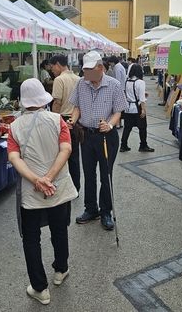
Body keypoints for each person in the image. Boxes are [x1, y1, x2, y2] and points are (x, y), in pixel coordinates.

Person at [7, 78, 77, 306]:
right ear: (43, 98)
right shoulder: (58, 120)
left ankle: (40, 288)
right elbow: (66, 149)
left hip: (32, 192)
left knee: (31, 239)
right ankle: (61, 270)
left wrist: (37, 180)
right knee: (59, 229)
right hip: (58, 188)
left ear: (23, 102)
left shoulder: (15, 127)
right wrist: (49, 178)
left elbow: (14, 157)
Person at [68, 51, 128, 230]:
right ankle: (91, 209)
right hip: (86, 135)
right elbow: (77, 107)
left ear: (100, 68)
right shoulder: (81, 83)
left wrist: (109, 125)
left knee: (105, 175)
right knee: (89, 174)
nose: (86, 74)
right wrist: (73, 119)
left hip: (106, 137)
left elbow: (118, 111)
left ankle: (106, 211)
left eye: (89, 70)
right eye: (84, 70)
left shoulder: (114, 85)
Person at [49, 54, 81, 191]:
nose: (52, 70)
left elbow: (57, 102)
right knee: (74, 156)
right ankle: (76, 186)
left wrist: (54, 121)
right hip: (76, 120)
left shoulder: (59, 79)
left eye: (52, 67)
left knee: (60, 155)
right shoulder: (78, 79)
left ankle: (63, 187)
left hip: (62, 119)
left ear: (57, 64)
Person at [120, 64, 154, 153]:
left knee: (127, 127)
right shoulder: (140, 82)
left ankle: (123, 145)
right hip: (137, 108)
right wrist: (143, 110)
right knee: (142, 127)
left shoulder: (127, 81)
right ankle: (143, 145)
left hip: (128, 108)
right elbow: (142, 99)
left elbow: (128, 93)